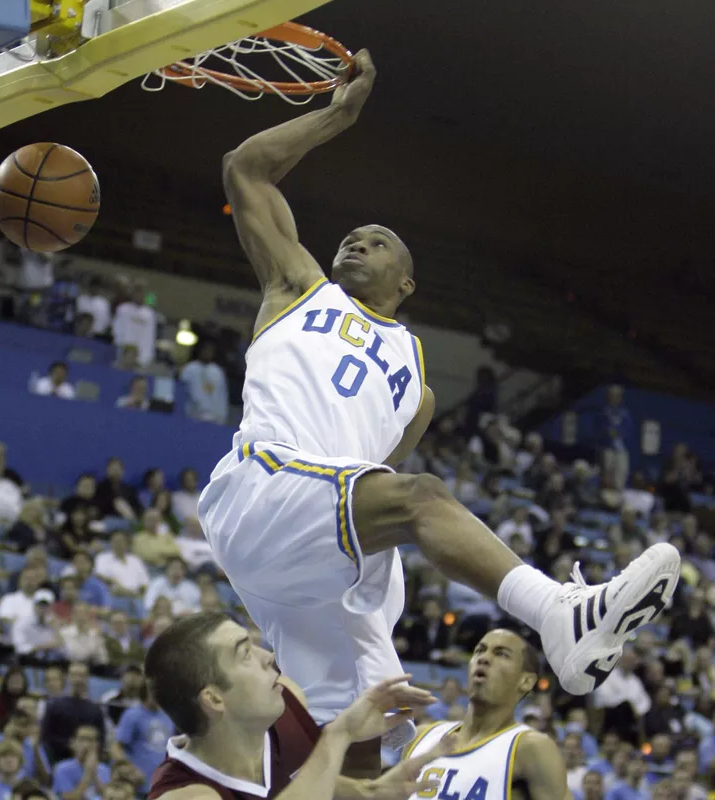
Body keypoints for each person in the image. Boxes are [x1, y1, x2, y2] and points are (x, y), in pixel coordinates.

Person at [200, 48, 680, 772]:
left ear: (408, 281)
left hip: (320, 550)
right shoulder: (300, 287)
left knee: (360, 734)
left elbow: (380, 478)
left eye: (379, 240)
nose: (356, 240)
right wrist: (338, 115)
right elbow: (245, 168)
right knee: (420, 498)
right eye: (349, 237)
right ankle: (559, 615)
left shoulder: (417, 384)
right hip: (265, 488)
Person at [145, 612, 441, 800]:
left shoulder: (286, 701)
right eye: (245, 654)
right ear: (213, 699)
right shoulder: (187, 795)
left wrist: (371, 791)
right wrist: (338, 734)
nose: (268, 656)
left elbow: (293, 779)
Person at [401, 629, 571, 799]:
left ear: (526, 681)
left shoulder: (530, 747)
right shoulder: (422, 736)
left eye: (501, 654)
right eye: (479, 651)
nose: (484, 658)